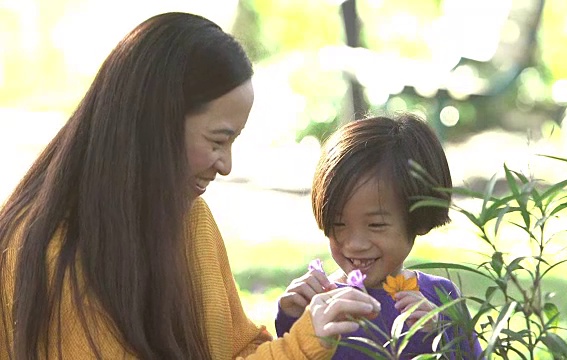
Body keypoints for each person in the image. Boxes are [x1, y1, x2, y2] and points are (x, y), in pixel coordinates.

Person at [0, 12, 382, 359]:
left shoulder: (190, 218)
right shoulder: (54, 252)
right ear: (156, 125)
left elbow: (234, 350)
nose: (227, 165)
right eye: (217, 141)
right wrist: (299, 346)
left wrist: (302, 326)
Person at [276, 114, 484, 359]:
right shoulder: (318, 303)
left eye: (375, 224)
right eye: (338, 223)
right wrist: (291, 317)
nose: (354, 244)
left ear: (419, 217)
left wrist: (440, 334)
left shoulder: (440, 297)